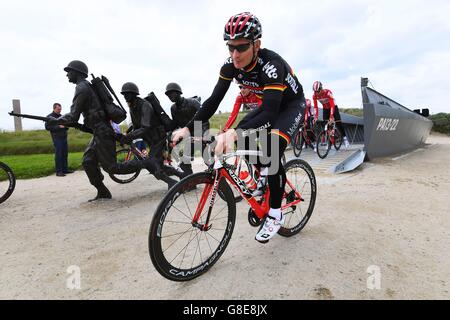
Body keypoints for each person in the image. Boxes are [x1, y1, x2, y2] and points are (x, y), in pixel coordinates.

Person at [172, 12, 306, 243]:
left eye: (241, 47)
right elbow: (213, 101)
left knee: (271, 148)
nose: (235, 55)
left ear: (257, 45)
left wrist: (233, 132)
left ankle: (275, 214)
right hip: (268, 105)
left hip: (289, 106)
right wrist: (187, 128)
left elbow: (271, 112)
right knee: (244, 135)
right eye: (230, 48)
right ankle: (264, 174)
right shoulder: (230, 66)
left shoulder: (271, 65)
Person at [48, 60, 176, 201]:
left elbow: (73, 116)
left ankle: (145, 163)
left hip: (103, 131)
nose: (67, 75)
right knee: (88, 161)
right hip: (98, 131)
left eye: (69, 72)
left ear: (77, 72)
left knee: (112, 167)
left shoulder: (82, 88)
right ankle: (102, 191)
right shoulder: (85, 87)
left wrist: (55, 120)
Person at [120, 82, 181, 183]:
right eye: (124, 94)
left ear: (134, 94)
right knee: (158, 165)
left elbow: (145, 127)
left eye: (127, 94)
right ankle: (182, 176)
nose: (125, 96)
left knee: (151, 163)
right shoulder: (132, 107)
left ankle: (172, 183)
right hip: (150, 139)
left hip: (158, 137)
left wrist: (129, 137)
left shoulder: (145, 105)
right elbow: (136, 126)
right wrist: (127, 134)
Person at [165, 82, 209, 176]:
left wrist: (203, 136)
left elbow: (205, 118)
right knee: (184, 161)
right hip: (189, 137)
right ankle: (190, 184)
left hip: (200, 133)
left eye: (171, 93)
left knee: (208, 159)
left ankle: (220, 181)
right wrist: (169, 134)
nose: (169, 96)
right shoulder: (173, 108)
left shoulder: (193, 102)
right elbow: (176, 124)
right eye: (168, 95)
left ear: (178, 93)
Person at [312, 81, 349, 148]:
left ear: (321, 88)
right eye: (315, 91)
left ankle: (345, 138)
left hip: (333, 107)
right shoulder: (314, 95)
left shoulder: (328, 93)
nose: (316, 93)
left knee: (338, 123)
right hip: (325, 109)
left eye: (318, 91)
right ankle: (329, 141)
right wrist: (315, 116)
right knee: (326, 124)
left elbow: (332, 105)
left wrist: (331, 116)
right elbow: (315, 107)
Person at [45, 103, 73, 176]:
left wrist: (65, 126)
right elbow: (47, 127)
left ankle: (65, 169)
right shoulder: (49, 117)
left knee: (65, 154)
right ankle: (59, 171)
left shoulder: (62, 116)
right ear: (54, 108)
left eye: (60, 109)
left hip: (64, 137)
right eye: (58, 109)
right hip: (57, 138)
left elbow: (67, 126)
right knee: (59, 154)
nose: (60, 110)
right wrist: (58, 127)